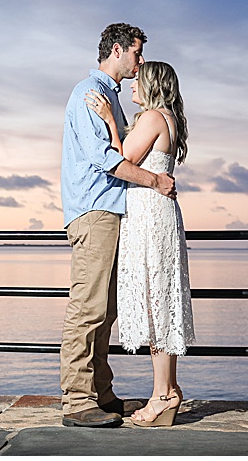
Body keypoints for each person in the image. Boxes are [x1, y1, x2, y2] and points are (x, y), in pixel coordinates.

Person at [60, 23, 177, 428]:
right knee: (88, 309)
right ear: (117, 50)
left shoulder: (112, 98)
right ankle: (77, 401)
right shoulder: (88, 94)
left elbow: (122, 148)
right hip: (94, 211)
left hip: (112, 212)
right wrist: (156, 181)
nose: (140, 61)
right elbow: (106, 159)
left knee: (106, 310)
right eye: (137, 53)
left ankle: (101, 393)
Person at [85, 60, 195, 427]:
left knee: (156, 305)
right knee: (160, 300)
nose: (132, 84)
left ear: (152, 86)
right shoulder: (169, 118)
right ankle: (169, 389)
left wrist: (110, 122)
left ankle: (162, 395)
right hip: (157, 213)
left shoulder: (151, 118)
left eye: (138, 82)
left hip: (149, 217)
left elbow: (121, 159)